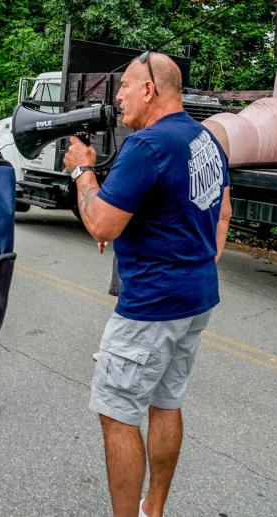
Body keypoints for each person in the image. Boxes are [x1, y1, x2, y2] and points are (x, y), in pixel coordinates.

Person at [63, 52, 232, 517]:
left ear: (150, 90)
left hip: (152, 305)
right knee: (166, 400)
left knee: (118, 413)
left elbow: (100, 225)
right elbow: (219, 212)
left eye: (124, 87)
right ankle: (152, 509)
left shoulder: (148, 145)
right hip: (196, 295)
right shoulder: (206, 138)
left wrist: (83, 171)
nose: (118, 97)